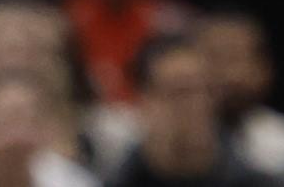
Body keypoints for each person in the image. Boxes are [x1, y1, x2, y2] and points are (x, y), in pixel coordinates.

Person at [108, 34, 274, 187]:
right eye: (181, 91)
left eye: (208, 90)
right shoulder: (117, 179)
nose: (198, 104)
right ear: (146, 101)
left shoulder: (255, 181)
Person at [193, 14, 284, 177]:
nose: (229, 75)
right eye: (215, 57)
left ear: (265, 69)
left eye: (236, 58)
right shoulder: (157, 150)